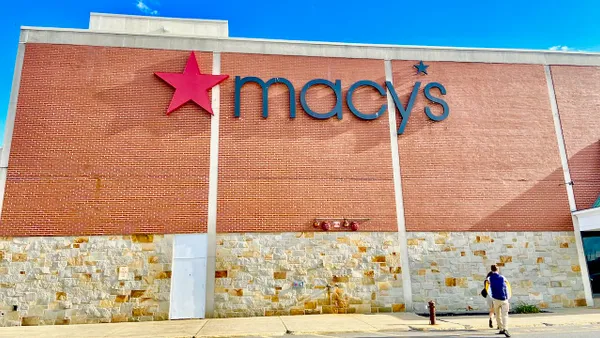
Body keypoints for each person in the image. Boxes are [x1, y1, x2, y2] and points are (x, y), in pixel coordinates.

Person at [486, 264, 512, 337]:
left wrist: (492, 297)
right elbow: (507, 287)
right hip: (504, 299)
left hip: (496, 299)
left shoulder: (489, 279)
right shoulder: (503, 277)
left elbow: (488, 289)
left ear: (491, 270)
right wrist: (507, 297)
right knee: (505, 315)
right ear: (498, 270)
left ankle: (501, 329)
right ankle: (505, 329)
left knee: (497, 315)